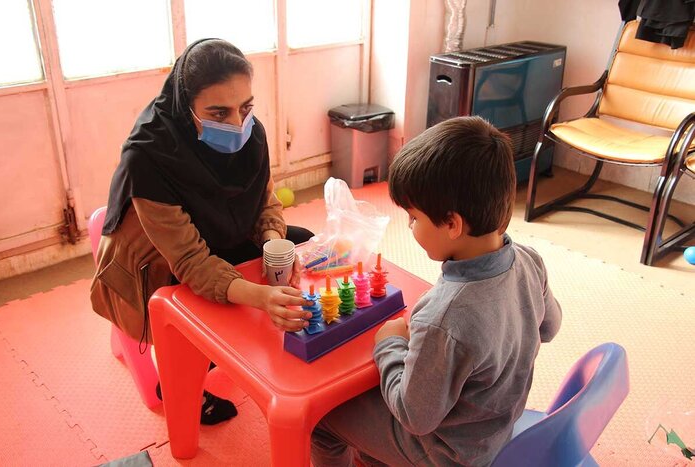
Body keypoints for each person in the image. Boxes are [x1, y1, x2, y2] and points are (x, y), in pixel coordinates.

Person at [310, 116, 562, 466]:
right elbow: (549, 327)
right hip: (496, 429)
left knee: (323, 419)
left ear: (452, 224)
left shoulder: (444, 318)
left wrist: (390, 343)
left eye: (413, 218)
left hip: (446, 454)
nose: (410, 226)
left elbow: (414, 416)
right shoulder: (530, 261)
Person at [90, 39, 314, 425]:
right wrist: (261, 296)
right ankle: (178, 381)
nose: (236, 124)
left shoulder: (250, 133)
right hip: (155, 260)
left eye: (245, 108)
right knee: (192, 304)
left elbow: (265, 202)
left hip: (217, 233)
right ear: (186, 105)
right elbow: (190, 261)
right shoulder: (148, 155)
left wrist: (275, 244)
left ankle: (228, 347)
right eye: (218, 112)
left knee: (302, 241)